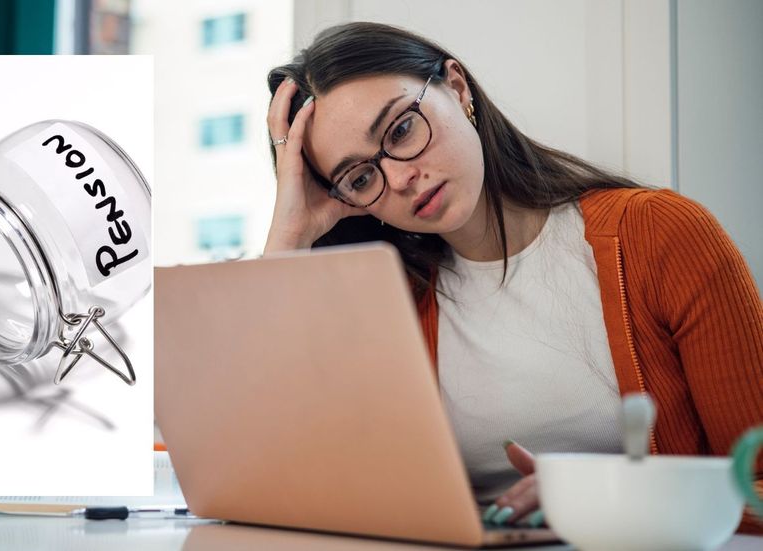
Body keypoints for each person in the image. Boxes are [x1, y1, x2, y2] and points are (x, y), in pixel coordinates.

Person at [264, 22, 763, 533]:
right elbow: (277, 476)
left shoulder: (658, 235)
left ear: (457, 90)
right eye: (362, 178)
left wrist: (593, 496)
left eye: (401, 130)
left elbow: (758, 484)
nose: (399, 177)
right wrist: (290, 233)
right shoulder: (391, 304)